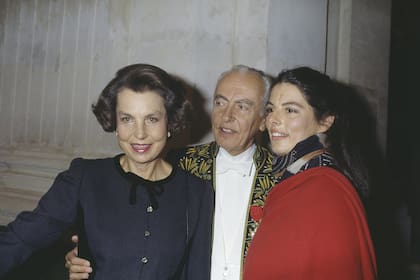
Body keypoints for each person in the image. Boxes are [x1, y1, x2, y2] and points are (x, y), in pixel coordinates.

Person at [0, 64, 214, 280]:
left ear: (170, 122)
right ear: (114, 123)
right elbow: (22, 239)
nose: (139, 134)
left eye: (152, 119)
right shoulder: (84, 178)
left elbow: (197, 273)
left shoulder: (197, 192)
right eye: (127, 119)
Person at [65, 65, 277, 280]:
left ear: (263, 120)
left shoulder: (282, 178)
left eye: (242, 107)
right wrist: (87, 254)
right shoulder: (174, 164)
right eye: (220, 103)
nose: (226, 116)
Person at [242, 66, 377, 279]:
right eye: (270, 109)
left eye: (290, 110)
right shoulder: (292, 179)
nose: (273, 120)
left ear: (325, 121)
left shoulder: (326, 191)